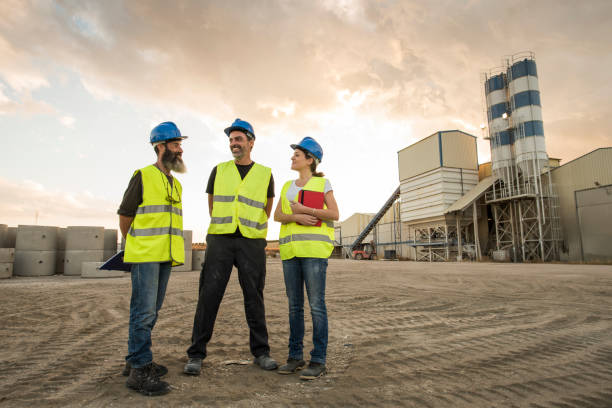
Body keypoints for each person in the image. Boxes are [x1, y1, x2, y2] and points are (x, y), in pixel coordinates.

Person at [184, 118, 277, 375]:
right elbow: (213, 206)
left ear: (251, 142)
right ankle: (196, 354)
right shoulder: (219, 170)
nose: (233, 144)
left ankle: (261, 352)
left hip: (252, 241)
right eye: (231, 140)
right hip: (221, 239)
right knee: (209, 296)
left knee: (254, 297)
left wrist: (250, 228)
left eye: (238, 139)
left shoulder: (265, 173)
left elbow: (267, 209)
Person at [117, 121, 187, 396]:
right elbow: (125, 215)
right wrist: (133, 245)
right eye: (176, 144)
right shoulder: (143, 176)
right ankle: (139, 369)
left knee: (151, 311)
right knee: (143, 311)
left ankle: (136, 359)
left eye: (181, 145)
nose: (180, 150)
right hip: (146, 256)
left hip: (164, 256)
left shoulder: (175, 183)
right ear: (160, 147)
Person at [273, 137, 339, 380]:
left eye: (297, 155)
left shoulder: (323, 184)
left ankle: (318, 360)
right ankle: (295, 357)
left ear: (310, 160)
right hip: (290, 253)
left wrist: (306, 211)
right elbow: (278, 215)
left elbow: (334, 213)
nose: (292, 158)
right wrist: (295, 217)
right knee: (294, 308)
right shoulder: (287, 186)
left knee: (317, 307)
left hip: (314, 253)